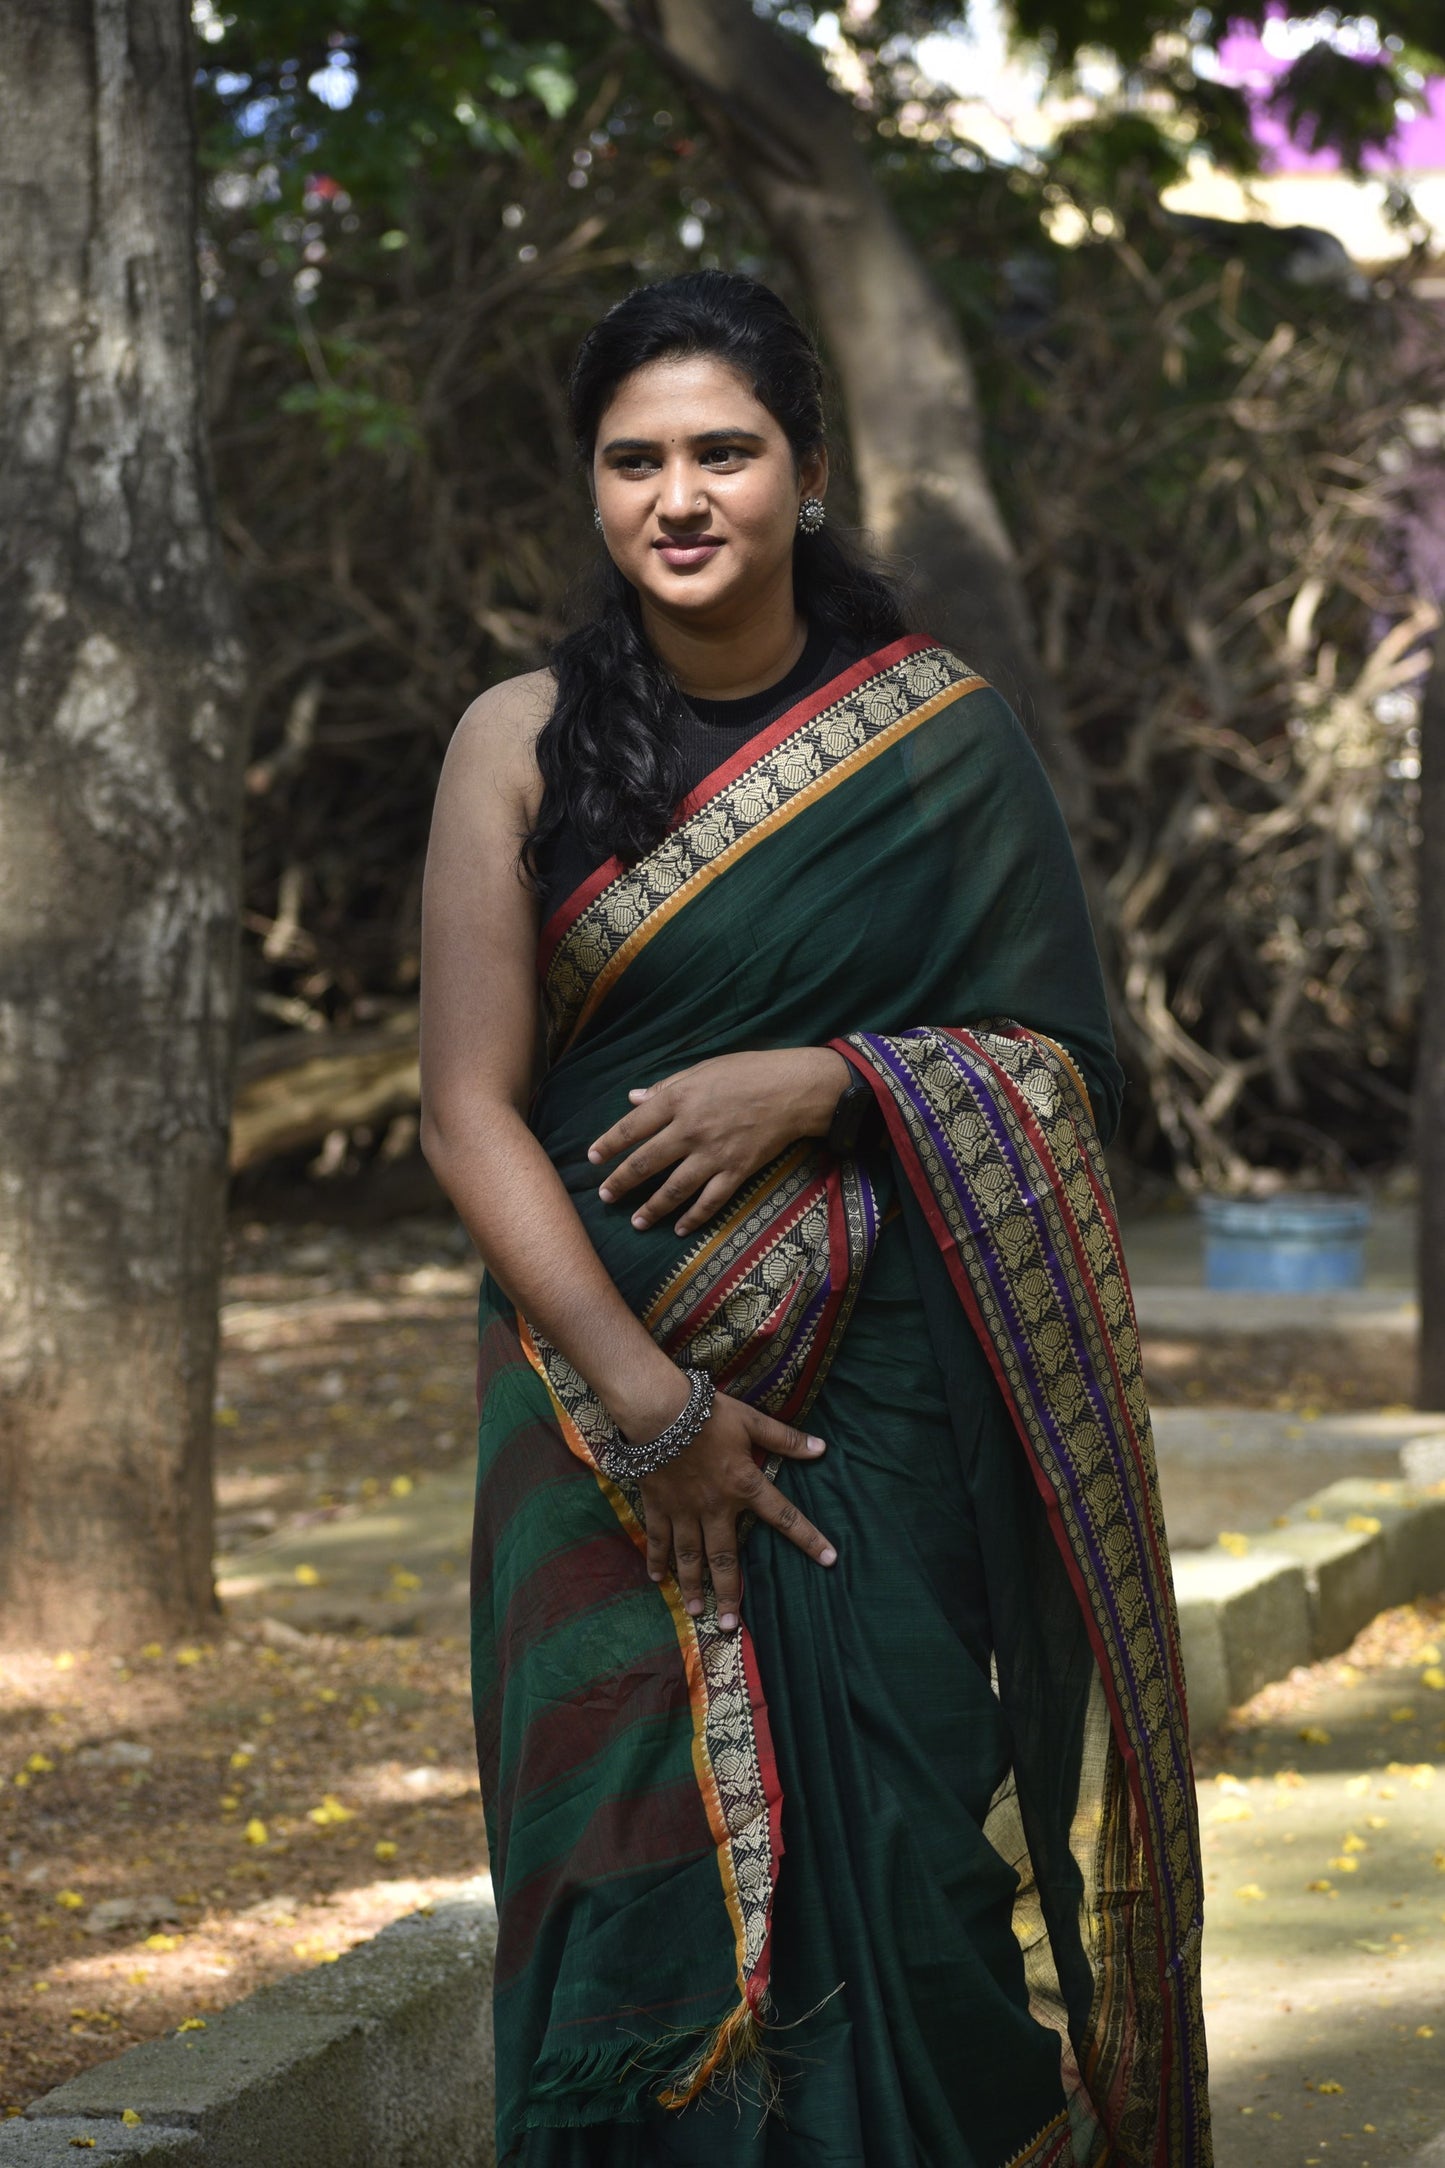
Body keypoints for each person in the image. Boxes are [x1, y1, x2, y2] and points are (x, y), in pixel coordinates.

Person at [419, 270, 1211, 2168]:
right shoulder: (515, 741)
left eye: (723, 451)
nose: (676, 498)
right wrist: (649, 1403)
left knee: (914, 1868)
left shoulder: (937, 744)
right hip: (590, 1422)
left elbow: (1056, 1068)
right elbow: (466, 1110)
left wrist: (841, 1077)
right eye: (633, 461)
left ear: (809, 473)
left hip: (885, 1418)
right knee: (620, 1898)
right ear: (591, 490)